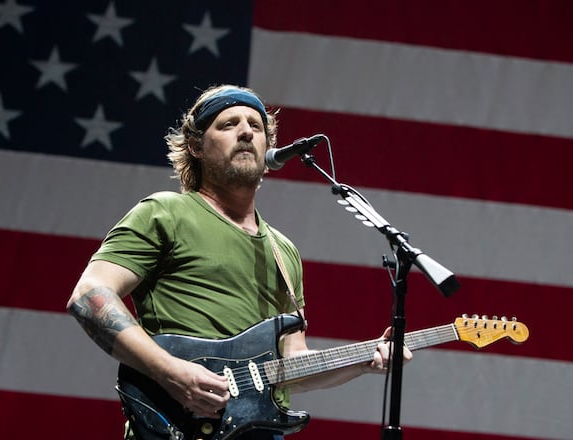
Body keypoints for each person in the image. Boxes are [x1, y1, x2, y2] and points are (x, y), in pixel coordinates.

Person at [66, 84, 412, 440]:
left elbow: (292, 365)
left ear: (267, 148)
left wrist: (365, 361)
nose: (246, 131)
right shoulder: (166, 213)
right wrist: (172, 373)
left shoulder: (283, 250)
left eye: (256, 125)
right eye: (229, 124)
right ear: (197, 147)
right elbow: (89, 295)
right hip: (176, 428)